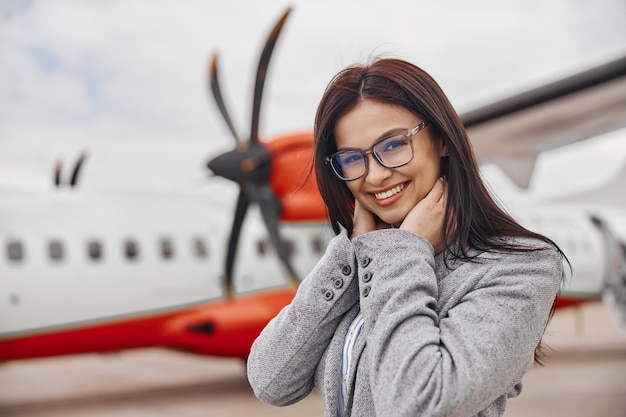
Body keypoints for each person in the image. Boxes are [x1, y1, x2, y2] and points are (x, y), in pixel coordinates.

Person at [247, 57, 565, 417]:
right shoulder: (369, 260)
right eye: (352, 158)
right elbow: (271, 380)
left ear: (442, 141)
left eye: (394, 145)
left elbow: (417, 402)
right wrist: (349, 252)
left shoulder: (522, 266)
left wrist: (402, 252)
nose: (376, 176)